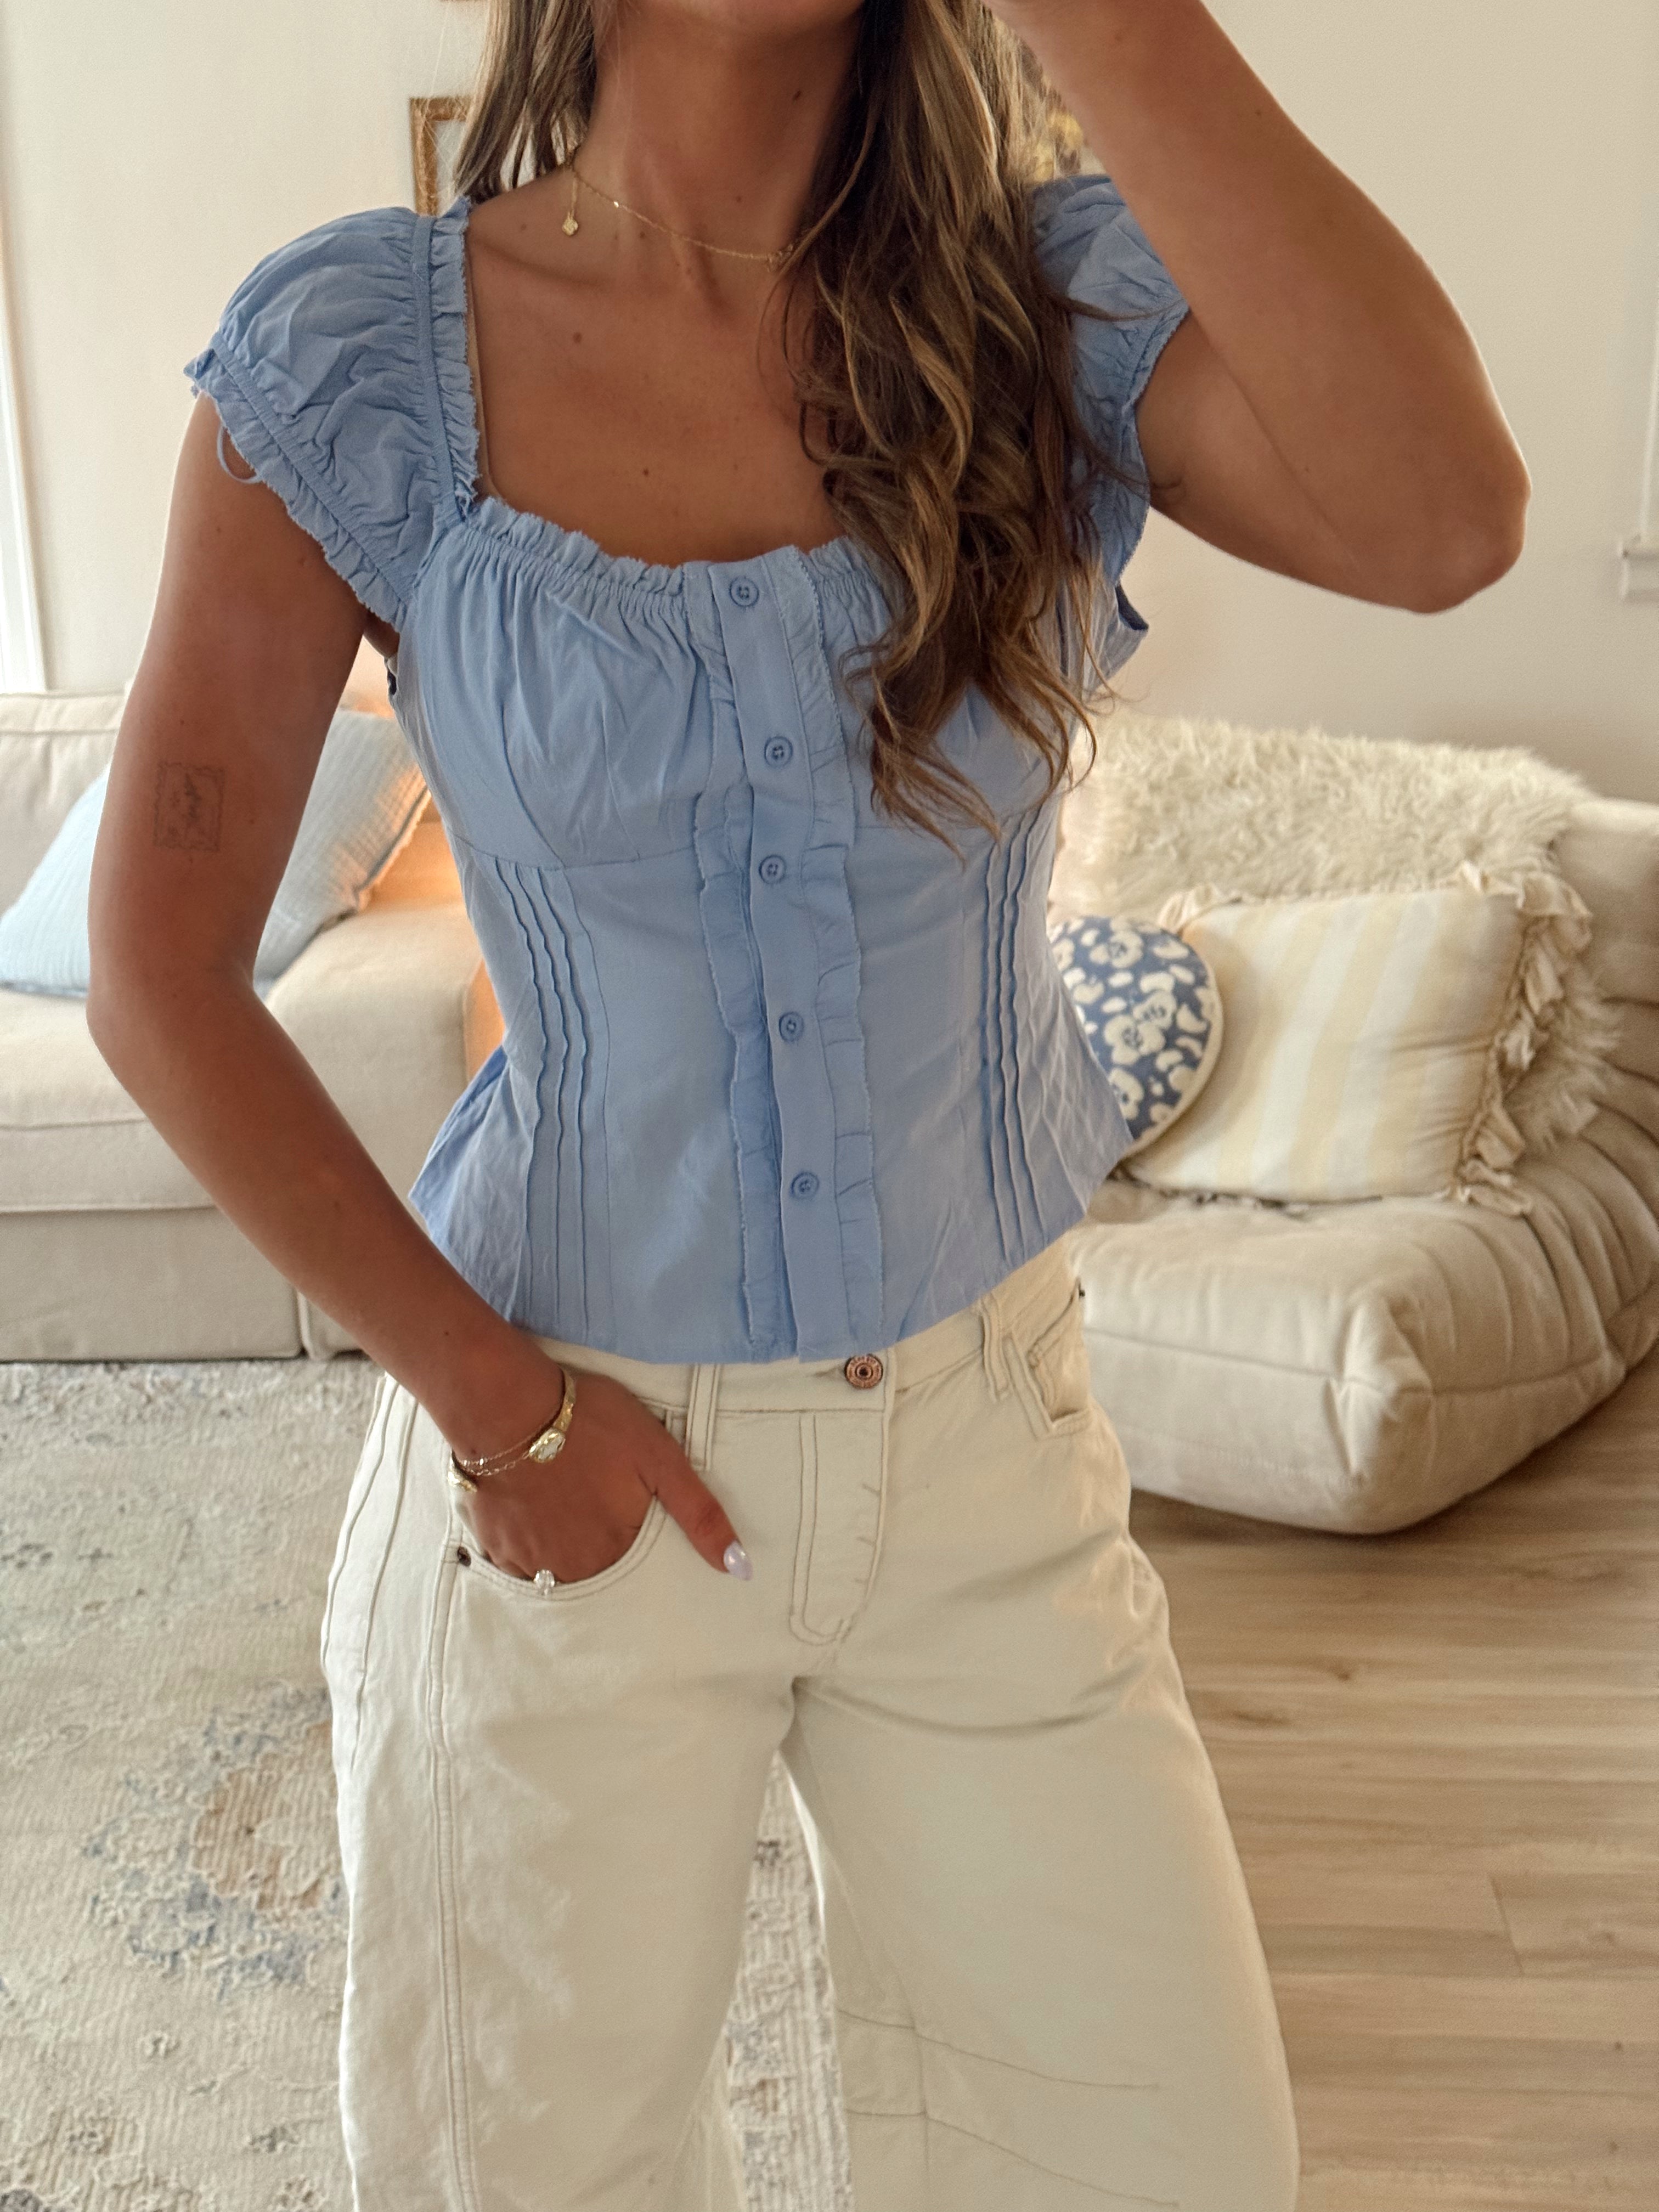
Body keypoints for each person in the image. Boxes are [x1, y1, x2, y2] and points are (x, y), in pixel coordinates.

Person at [87, 0, 1528, 2203]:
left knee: (1165, 2158)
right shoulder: (364, 358)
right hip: (560, 1456)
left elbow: (1443, 520)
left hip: (990, 1457)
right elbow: (159, 977)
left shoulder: (1049, 307)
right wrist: (497, 1408)